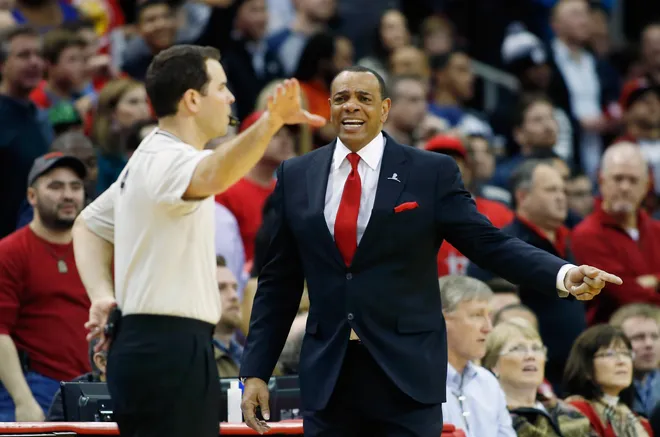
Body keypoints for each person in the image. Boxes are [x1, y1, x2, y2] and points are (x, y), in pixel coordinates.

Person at [239, 65, 622, 437]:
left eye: (363, 98)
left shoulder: (429, 172)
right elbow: (278, 282)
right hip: (329, 376)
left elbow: (489, 243)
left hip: (406, 373)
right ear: (330, 109)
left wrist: (562, 274)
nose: (351, 106)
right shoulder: (296, 175)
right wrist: (256, 370)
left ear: (385, 109)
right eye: (341, 98)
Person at [70, 44, 324, 437]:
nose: (231, 97)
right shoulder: (170, 160)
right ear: (192, 100)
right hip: (165, 349)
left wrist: (102, 295)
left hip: (162, 346)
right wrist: (270, 122)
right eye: (221, 88)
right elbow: (215, 175)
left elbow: (88, 224)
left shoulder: (148, 158)